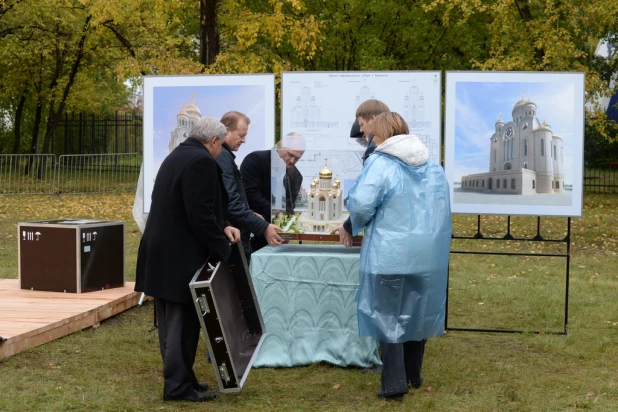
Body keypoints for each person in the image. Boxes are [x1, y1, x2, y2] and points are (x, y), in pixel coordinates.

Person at [344, 112, 451, 402]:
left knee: (387, 315)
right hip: (427, 254)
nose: (371, 139)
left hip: (390, 252)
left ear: (380, 134)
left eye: (372, 135)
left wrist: (352, 222)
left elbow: (362, 203)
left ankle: (394, 384)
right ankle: (414, 374)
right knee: (417, 311)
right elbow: (441, 208)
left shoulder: (381, 162)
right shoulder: (432, 165)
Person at [135, 117, 241, 403]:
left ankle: (183, 378)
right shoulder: (202, 161)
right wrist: (223, 249)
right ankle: (178, 387)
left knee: (172, 323)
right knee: (182, 324)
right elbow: (201, 214)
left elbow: (193, 206)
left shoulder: (178, 155)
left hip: (163, 252)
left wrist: (223, 225)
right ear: (215, 141)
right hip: (178, 255)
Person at [216, 111, 283, 263]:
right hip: (232, 237)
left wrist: (250, 214)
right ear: (226, 130)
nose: (244, 140)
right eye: (241, 135)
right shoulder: (222, 156)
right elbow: (231, 202)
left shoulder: (224, 155)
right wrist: (263, 227)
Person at [332, 99, 390, 246]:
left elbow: (367, 198)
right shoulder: (400, 143)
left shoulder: (375, 149)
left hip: (384, 233)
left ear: (373, 120)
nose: (362, 130)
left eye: (362, 125)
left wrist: (348, 227)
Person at [240, 133, 306, 252]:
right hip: (251, 230)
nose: (292, 160)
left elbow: (290, 207)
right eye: (290, 155)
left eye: (297, 158)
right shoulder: (255, 160)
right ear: (280, 146)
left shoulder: (296, 176)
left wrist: (285, 225)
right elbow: (250, 194)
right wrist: (277, 213)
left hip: (277, 235)